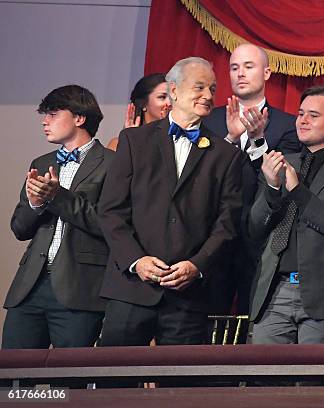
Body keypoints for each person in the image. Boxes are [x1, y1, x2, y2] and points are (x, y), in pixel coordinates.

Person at [97, 57, 243, 346]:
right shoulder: (133, 141)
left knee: (179, 388)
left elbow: (226, 224)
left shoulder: (225, 154)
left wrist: (196, 265)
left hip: (188, 297)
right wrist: (136, 260)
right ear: (173, 91)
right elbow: (111, 210)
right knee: (114, 384)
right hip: (131, 289)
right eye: (199, 87)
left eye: (212, 89)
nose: (208, 96)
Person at [249, 85, 324, 344]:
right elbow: (255, 228)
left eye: (313, 115)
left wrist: (297, 191)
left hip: (323, 293)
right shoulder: (281, 162)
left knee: (313, 381)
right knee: (263, 379)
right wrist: (272, 188)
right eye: (300, 113)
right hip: (274, 290)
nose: (302, 121)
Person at [3, 85, 113, 348]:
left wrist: (57, 196)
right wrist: (34, 202)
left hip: (80, 288)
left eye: (52, 113)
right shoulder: (41, 163)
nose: (45, 121)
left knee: (69, 382)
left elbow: (109, 224)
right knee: (12, 376)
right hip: (31, 285)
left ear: (79, 118)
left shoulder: (112, 164)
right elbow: (19, 228)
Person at [204, 44, 301, 319]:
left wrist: (258, 141)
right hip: (214, 233)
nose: (240, 74)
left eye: (249, 67)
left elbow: (280, 180)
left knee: (254, 320)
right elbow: (203, 174)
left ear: (267, 73)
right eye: (234, 68)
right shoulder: (210, 120)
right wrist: (232, 139)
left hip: (262, 237)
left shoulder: (288, 125)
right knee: (209, 321)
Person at [107, 73, 171, 151]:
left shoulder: (179, 140)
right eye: (162, 97)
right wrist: (130, 141)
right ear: (143, 103)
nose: (170, 103)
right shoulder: (117, 144)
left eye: (172, 97)